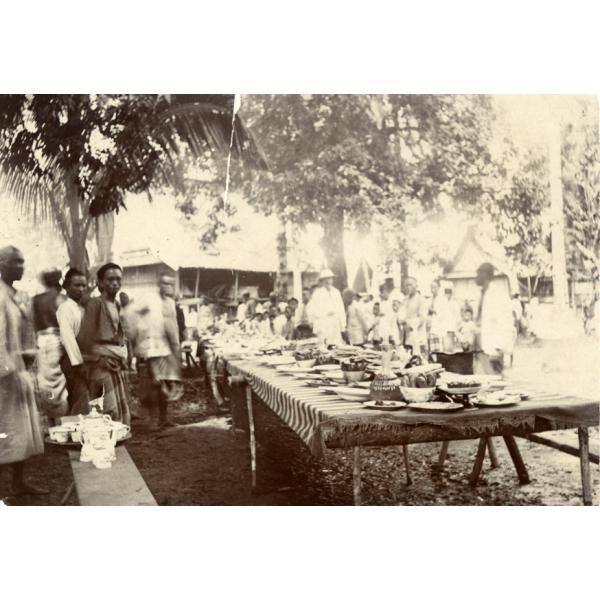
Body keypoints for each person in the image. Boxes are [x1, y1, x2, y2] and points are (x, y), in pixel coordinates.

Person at [0, 245, 46, 496]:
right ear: (0, 264)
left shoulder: (15, 296)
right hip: (4, 375)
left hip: (17, 371)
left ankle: (19, 481)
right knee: (5, 429)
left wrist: (27, 360)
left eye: (22, 262)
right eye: (15, 262)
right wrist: (8, 372)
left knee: (21, 427)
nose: (21, 267)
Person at [77, 262, 131, 424]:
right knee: (108, 409)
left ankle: (114, 446)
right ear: (100, 282)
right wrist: (99, 359)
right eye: (110, 279)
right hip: (100, 364)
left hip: (115, 361)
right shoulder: (95, 304)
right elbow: (84, 339)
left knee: (118, 410)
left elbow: (120, 336)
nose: (115, 283)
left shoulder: (117, 305)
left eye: (118, 279)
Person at [130, 274, 183, 429]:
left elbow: (173, 326)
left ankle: (164, 418)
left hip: (169, 348)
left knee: (167, 383)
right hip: (154, 348)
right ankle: (154, 419)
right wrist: (140, 337)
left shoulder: (171, 302)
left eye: (170, 284)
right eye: (164, 284)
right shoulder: (150, 300)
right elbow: (131, 314)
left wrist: (177, 345)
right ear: (159, 284)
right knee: (155, 384)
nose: (167, 287)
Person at [32, 268, 68, 420]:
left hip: (41, 342)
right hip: (58, 340)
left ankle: (52, 420)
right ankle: (60, 419)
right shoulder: (61, 298)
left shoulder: (36, 300)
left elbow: (32, 323)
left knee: (46, 382)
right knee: (60, 383)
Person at [473, 263, 514, 375]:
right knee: (480, 385)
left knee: (495, 386)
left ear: (485, 275)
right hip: (479, 349)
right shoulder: (480, 294)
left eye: (478, 274)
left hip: (492, 349)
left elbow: (506, 322)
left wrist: (499, 347)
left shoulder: (498, 295)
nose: (476, 277)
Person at [57, 268, 88, 411]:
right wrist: (78, 364)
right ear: (67, 287)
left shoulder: (79, 308)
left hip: (82, 358)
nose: (81, 289)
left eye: (83, 285)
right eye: (77, 285)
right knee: (78, 398)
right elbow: (68, 337)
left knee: (82, 398)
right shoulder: (66, 308)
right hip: (73, 360)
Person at [308, 269, 346, 346]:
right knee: (323, 346)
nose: (327, 281)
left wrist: (343, 325)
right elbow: (312, 309)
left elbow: (341, 309)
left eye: (329, 278)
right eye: (325, 279)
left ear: (332, 280)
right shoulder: (317, 293)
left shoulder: (336, 292)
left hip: (335, 324)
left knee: (336, 345)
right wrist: (324, 314)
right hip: (323, 323)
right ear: (322, 281)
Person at [403, 277, 427, 355]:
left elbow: (422, 318)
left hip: (418, 336)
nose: (407, 287)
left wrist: (410, 322)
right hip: (406, 337)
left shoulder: (421, 299)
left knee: (419, 362)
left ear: (416, 286)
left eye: (410, 284)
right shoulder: (405, 300)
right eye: (406, 285)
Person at [438, 281, 461, 353]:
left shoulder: (455, 303)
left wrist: (455, 329)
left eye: (449, 292)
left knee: (450, 348)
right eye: (446, 293)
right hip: (443, 328)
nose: (447, 294)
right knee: (443, 348)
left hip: (451, 328)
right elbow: (439, 316)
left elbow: (458, 317)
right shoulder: (441, 303)